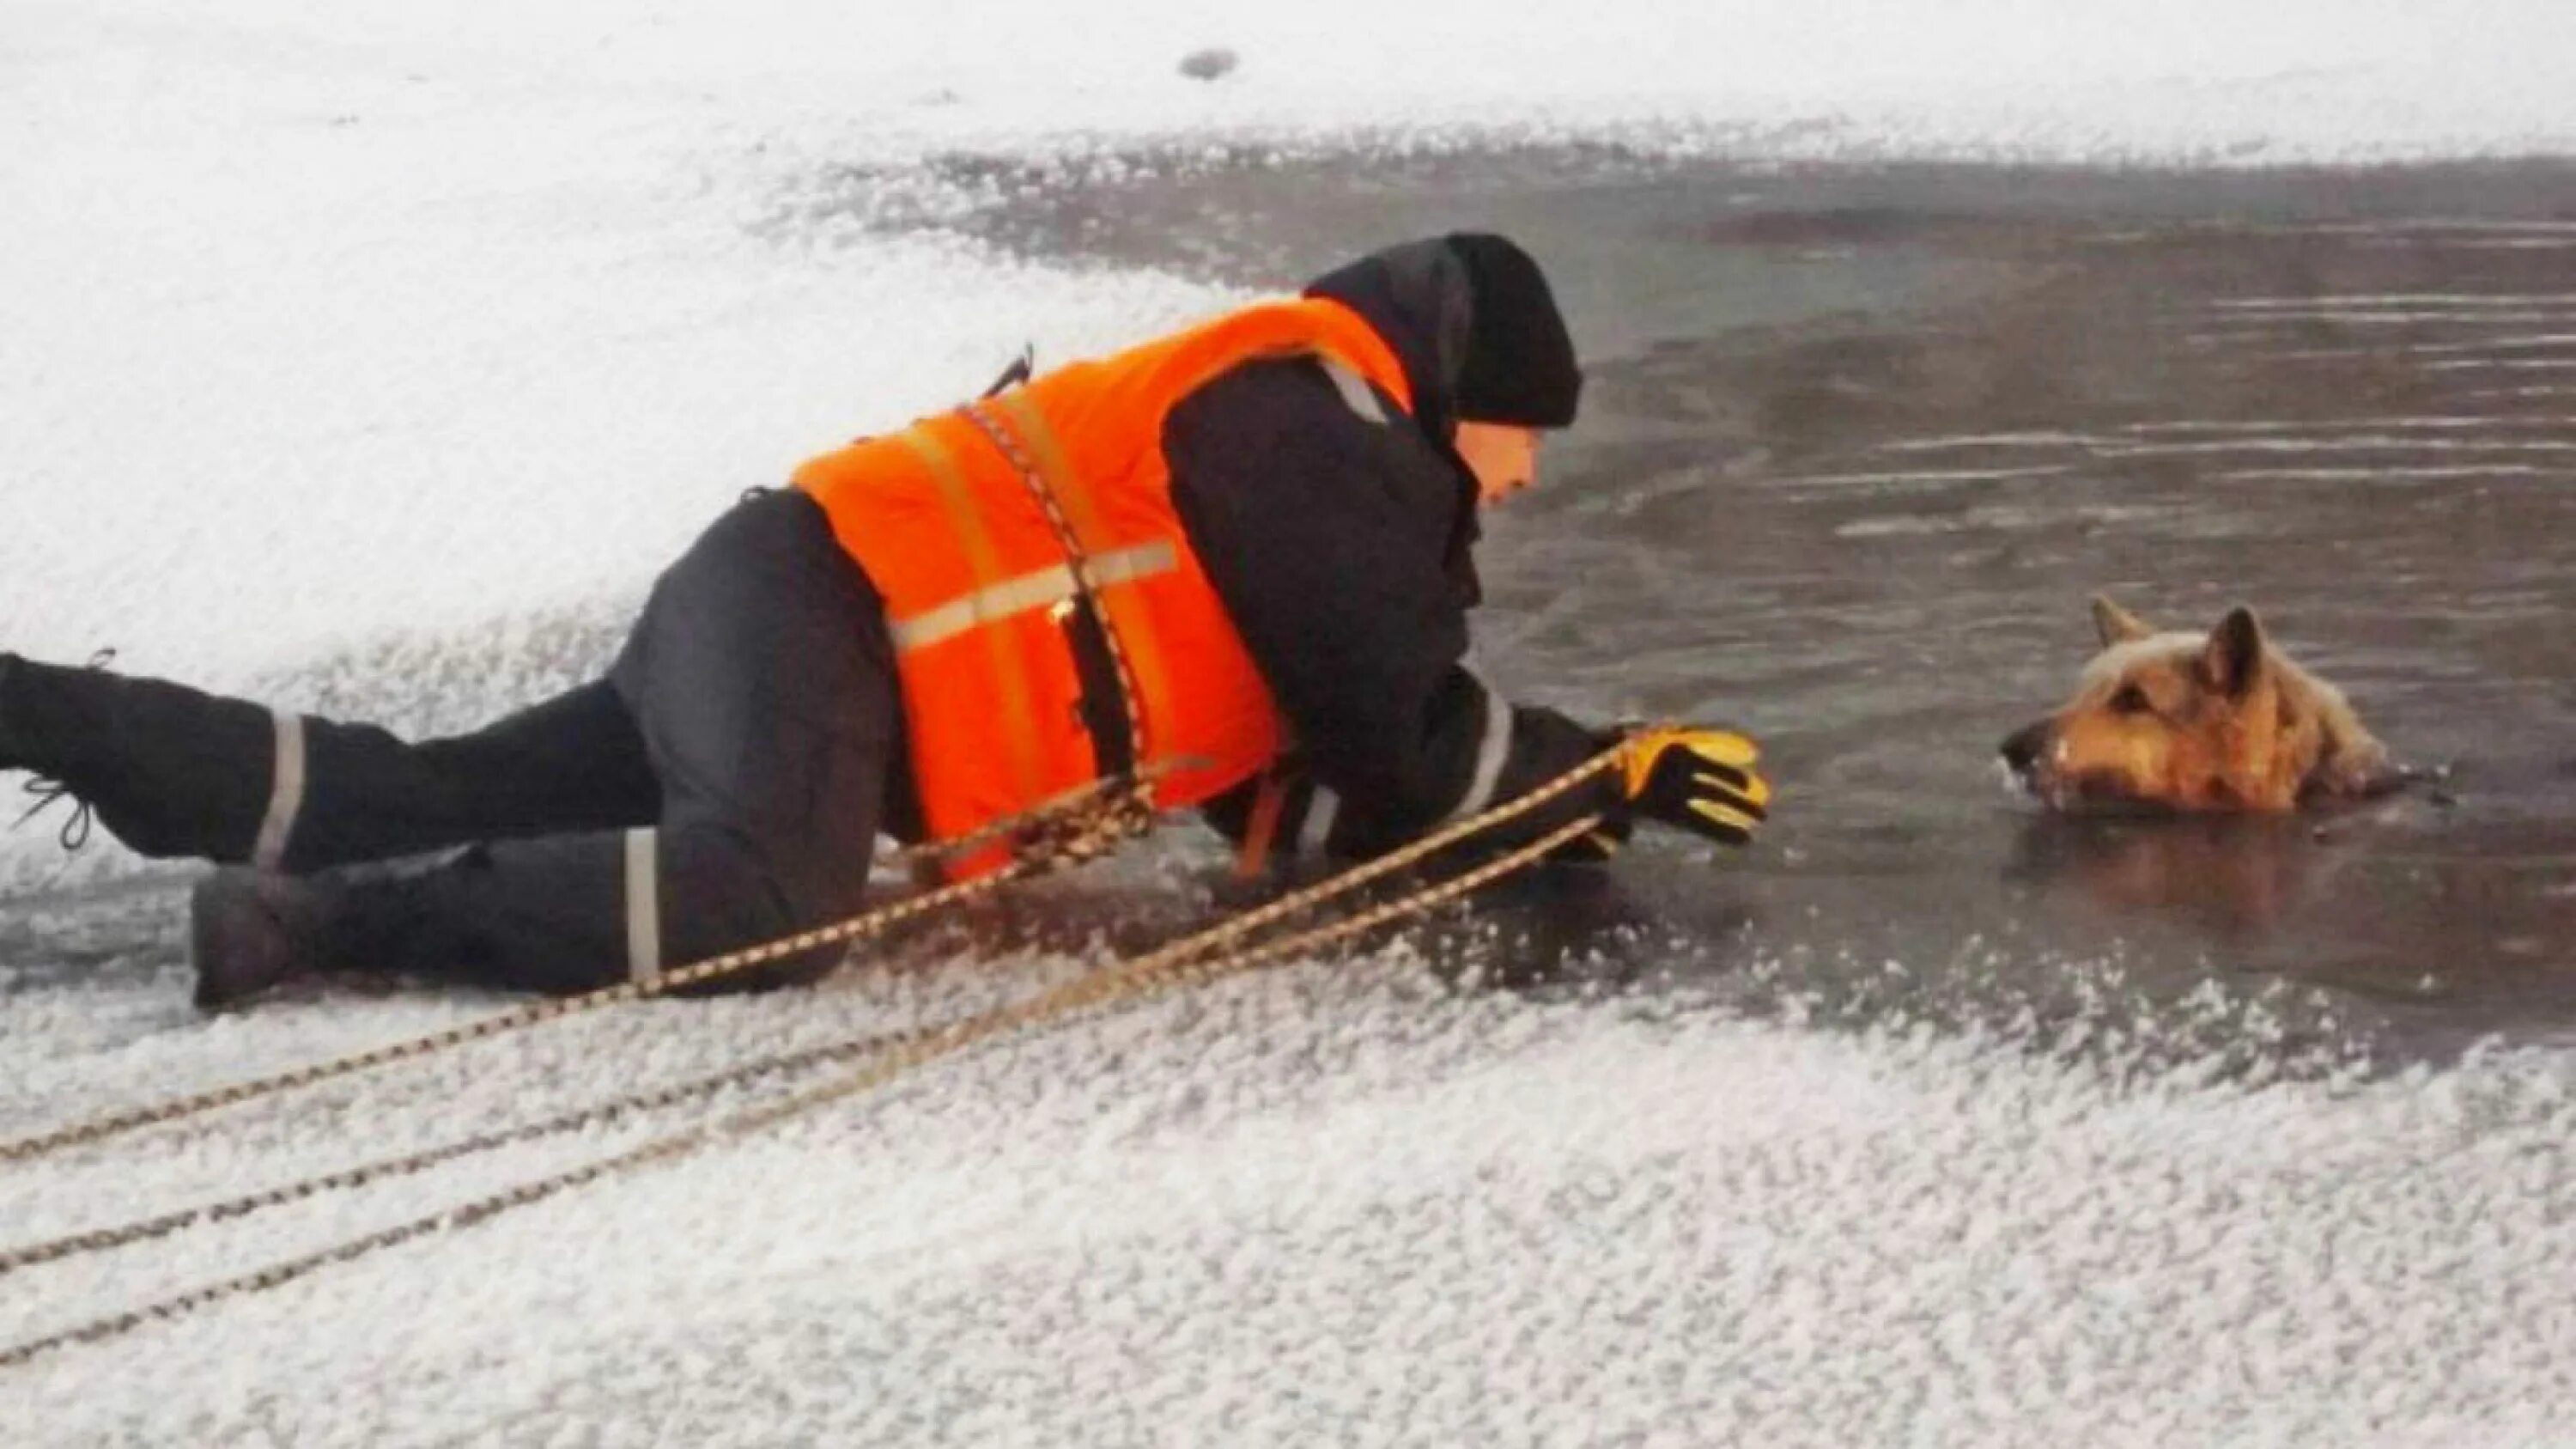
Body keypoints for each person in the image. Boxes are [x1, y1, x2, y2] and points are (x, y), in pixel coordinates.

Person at [0, 233, 1771, 1011]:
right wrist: (1599, 765)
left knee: (427, 784)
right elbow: (1403, 723)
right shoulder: (1316, 415)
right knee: (769, 898)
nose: (1529, 477)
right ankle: (313, 925)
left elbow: (1338, 778)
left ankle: (47, 719)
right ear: (1471, 389)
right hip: (821, 608)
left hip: (786, 621)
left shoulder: (1338, 467)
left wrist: (1568, 820)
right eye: (1528, 435)